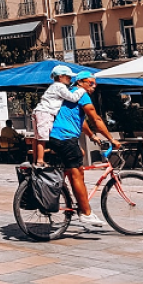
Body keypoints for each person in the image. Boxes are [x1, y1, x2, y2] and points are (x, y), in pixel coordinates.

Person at [48, 71, 121, 228]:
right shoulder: (82, 95)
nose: (94, 86)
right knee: (77, 173)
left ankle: (67, 190)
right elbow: (96, 119)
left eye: (95, 84)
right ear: (80, 82)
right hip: (64, 137)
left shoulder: (71, 94)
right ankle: (85, 213)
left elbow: (81, 121)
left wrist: (92, 136)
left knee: (79, 155)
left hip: (58, 137)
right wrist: (111, 139)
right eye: (91, 83)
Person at [31, 65, 86, 166]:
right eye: (68, 77)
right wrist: (82, 90)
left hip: (39, 111)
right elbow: (72, 98)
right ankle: (40, 160)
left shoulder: (52, 87)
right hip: (46, 112)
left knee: (37, 137)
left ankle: (35, 160)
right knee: (42, 138)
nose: (70, 79)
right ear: (61, 77)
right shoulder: (60, 86)